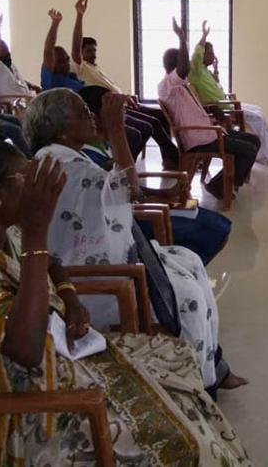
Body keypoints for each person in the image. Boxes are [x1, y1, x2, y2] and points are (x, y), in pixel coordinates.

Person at [0, 140, 251, 466]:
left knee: (177, 359)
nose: (35, 188)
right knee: (176, 441)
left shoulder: (7, 234)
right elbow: (24, 350)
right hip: (21, 413)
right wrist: (36, 233)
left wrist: (69, 296)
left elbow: (51, 262)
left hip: (60, 358)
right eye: (25, 177)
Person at [23, 88, 247, 391]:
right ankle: (203, 383)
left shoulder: (62, 156)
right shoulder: (65, 166)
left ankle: (212, 369)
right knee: (189, 295)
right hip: (95, 281)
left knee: (191, 260)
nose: (91, 116)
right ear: (62, 128)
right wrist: (115, 129)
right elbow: (129, 191)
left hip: (98, 257)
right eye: (83, 113)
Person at [79, 84, 232, 265]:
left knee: (216, 224)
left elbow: (125, 186)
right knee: (214, 228)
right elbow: (129, 192)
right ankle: (173, 270)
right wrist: (117, 130)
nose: (124, 116)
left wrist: (159, 194)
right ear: (96, 119)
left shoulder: (104, 146)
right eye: (119, 112)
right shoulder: (90, 159)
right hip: (130, 223)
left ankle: (182, 268)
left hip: (132, 211)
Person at [70, 0, 179, 169]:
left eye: (94, 51)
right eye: (89, 51)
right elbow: (75, 47)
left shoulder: (95, 68)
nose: (93, 54)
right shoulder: (81, 67)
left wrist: (126, 97)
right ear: (81, 53)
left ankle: (169, 159)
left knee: (160, 115)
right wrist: (79, 16)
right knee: (151, 124)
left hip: (123, 103)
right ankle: (126, 167)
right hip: (108, 108)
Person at [159, 18, 260, 200]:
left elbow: (196, 106)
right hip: (200, 138)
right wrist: (182, 39)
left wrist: (213, 109)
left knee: (254, 140)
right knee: (249, 149)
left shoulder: (181, 85)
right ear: (175, 66)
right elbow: (183, 68)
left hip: (210, 132)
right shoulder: (168, 85)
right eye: (184, 64)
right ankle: (219, 186)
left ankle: (226, 182)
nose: (188, 67)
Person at [189, 20, 268, 162]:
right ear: (202, 55)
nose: (213, 55)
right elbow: (196, 54)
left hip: (228, 105)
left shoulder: (205, 71)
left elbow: (218, 86)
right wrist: (204, 35)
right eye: (210, 52)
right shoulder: (196, 71)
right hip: (223, 110)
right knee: (258, 119)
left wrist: (216, 70)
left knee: (258, 110)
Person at [0, 7, 40, 98]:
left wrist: (31, 85)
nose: (4, 48)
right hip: (10, 104)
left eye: (4, 45)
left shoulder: (10, 63)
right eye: (0, 47)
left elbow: (17, 81)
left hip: (27, 99)